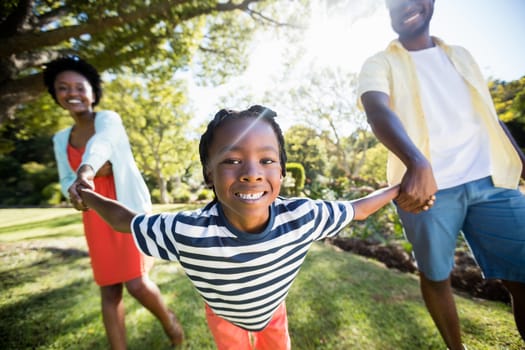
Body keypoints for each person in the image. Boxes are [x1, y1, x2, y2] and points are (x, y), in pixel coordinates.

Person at [74, 105, 410, 350]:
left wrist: (400, 186)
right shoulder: (188, 231)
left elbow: (357, 210)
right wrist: (89, 195)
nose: (252, 172)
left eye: (267, 160)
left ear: (281, 172)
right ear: (209, 174)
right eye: (232, 160)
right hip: (223, 316)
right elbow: (126, 221)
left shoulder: (302, 217)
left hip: (273, 310)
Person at [357, 0, 525, 349]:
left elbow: (490, 115)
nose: (406, 5)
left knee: (522, 275)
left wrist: (520, 159)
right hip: (425, 193)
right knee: (435, 276)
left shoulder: (462, 55)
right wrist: (418, 163)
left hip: (491, 182)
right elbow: (376, 110)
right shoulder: (379, 62)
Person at [43, 55, 184, 349]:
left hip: (124, 210)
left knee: (136, 284)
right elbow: (66, 177)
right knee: (109, 290)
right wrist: (75, 191)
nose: (72, 94)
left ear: (93, 92)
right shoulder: (59, 139)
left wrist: (87, 169)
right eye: (63, 88)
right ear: (55, 95)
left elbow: (102, 144)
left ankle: (171, 324)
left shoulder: (108, 120)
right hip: (94, 215)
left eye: (79, 87)